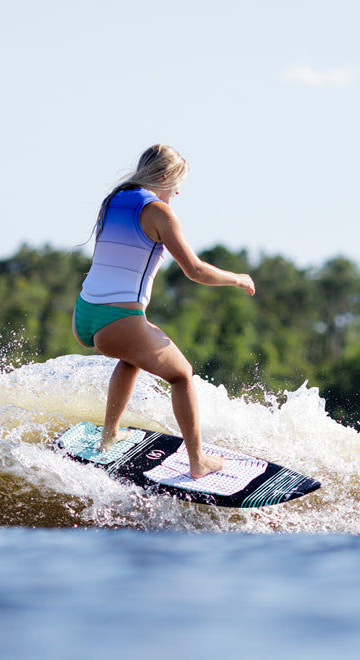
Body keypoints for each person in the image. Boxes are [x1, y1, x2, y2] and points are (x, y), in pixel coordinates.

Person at [73, 144, 256, 479]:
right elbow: (195, 271)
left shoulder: (113, 200)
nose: (177, 192)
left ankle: (109, 434)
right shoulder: (160, 212)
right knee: (181, 375)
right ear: (165, 176)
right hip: (118, 322)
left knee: (132, 356)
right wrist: (237, 278)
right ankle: (198, 461)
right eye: (177, 184)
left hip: (84, 315)